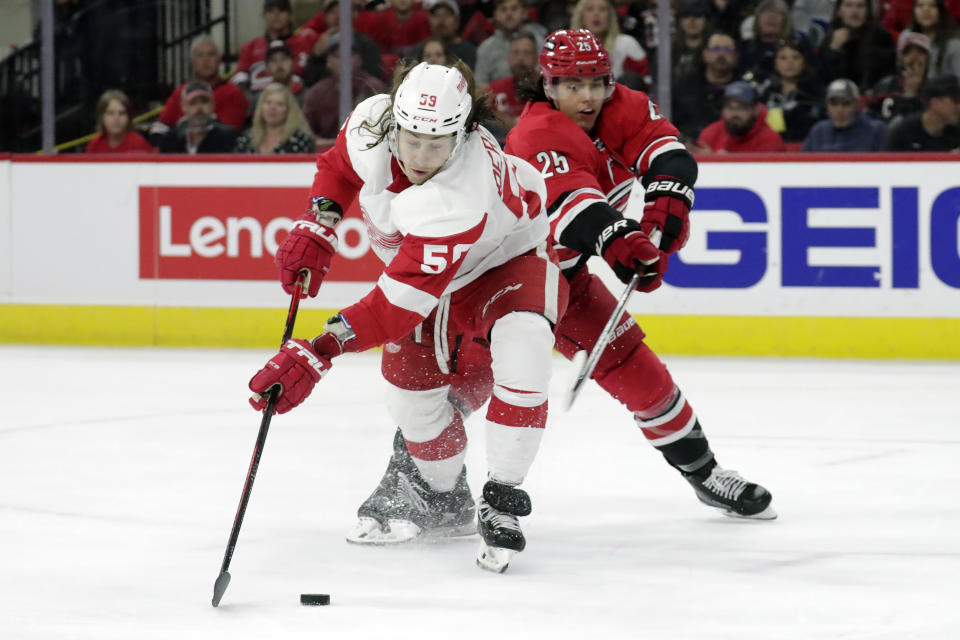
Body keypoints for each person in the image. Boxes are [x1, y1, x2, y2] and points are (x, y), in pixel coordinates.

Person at [337, 29, 775, 549]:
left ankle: (705, 474)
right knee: (456, 392)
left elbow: (667, 152)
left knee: (642, 376)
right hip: (504, 284)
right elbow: (577, 209)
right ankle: (420, 478)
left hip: (569, 283)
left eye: (595, 82)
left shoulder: (623, 107)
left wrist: (668, 200)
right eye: (570, 84)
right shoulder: (537, 134)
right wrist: (621, 239)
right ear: (548, 85)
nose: (586, 96)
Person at [251, 60, 569, 572]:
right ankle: (443, 497)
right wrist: (320, 221)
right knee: (409, 402)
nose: (421, 156)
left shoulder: (461, 194)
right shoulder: (373, 119)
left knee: (526, 345)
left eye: (437, 144)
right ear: (394, 121)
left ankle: (502, 494)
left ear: (462, 136)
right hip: (425, 270)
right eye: (412, 139)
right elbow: (339, 165)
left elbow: (397, 306)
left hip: (503, 261)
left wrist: (320, 349)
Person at [149, 35, 249, 141]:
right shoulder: (181, 91)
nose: (205, 60)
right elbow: (161, 125)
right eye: (200, 55)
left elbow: (226, 134)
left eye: (211, 55)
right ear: (192, 61)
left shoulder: (233, 93)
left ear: (219, 60)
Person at [302, 35, 387, 146]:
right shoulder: (318, 92)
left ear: (359, 59)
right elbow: (305, 132)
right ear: (328, 62)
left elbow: (385, 130)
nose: (344, 60)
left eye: (349, 55)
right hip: (328, 153)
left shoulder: (374, 88)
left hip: (367, 151)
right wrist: (335, 144)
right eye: (338, 56)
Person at [232, 0, 318, 94]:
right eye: (270, 11)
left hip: (295, 97)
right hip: (258, 100)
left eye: (281, 10)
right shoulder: (250, 47)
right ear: (264, 16)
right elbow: (240, 79)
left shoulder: (304, 43)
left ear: (290, 15)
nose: (275, 15)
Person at [673, 31, 740, 142]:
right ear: (705, 54)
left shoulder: (744, 90)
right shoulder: (684, 86)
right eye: (715, 49)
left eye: (728, 50)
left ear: (736, 56)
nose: (721, 55)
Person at [570, 0, 650, 89]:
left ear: (610, 17)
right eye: (590, 9)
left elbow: (644, 81)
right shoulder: (568, 47)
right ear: (581, 17)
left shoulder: (626, 43)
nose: (596, 14)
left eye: (602, 9)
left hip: (619, 99)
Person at [818, 0, 897, 90]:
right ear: (839, 11)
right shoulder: (831, 37)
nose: (855, 11)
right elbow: (821, 79)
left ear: (868, 10)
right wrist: (833, 50)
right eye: (848, 5)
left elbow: (888, 78)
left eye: (860, 6)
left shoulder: (881, 36)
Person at [759, 39, 825, 142]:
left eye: (796, 57)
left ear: (803, 63)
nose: (790, 62)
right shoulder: (767, 94)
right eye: (783, 58)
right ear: (776, 64)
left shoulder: (815, 93)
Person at [738, 0, 816, 84]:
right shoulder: (744, 47)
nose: (771, 16)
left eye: (778, 13)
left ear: (786, 21)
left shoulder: (800, 46)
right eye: (766, 11)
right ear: (757, 19)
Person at [695, 80, 787, 152]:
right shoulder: (711, 133)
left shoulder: (770, 139)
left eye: (742, 107)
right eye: (729, 107)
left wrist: (714, 160)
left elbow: (761, 174)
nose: (735, 113)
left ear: (755, 110)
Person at [801, 78, 888, 151]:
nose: (839, 110)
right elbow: (802, 165)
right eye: (834, 104)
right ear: (827, 106)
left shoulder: (875, 130)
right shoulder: (818, 131)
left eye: (846, 104)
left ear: (857, 104)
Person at [475, 0, 548, 85]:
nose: (509, 14)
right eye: (503, 9)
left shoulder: (541, 43)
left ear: (524, 13)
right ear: (496, 15)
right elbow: (480, 85)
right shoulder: (485, 48)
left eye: (514, 9)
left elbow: (547, 81)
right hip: (498, 96)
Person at [157, 80, 238, 154]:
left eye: (204, 101)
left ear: (213, 104)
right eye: (193, 103)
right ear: (183, 107)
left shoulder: (228, 138)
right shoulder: (170, 140)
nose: (199, 108)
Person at [867, 30, 932, 121]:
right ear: (900, 58)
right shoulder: (885, 85)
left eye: (920, 52)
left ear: (928, 58)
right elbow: (869, 119)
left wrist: (911, 92)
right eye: (908, 52)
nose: (914, 57)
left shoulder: (936, 91)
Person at [885, 72, 960, 149]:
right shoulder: (903, 133)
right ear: (935, 102)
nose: (959, 107)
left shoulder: (955, 136)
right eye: (956, 101)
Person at [236, 83, 316, 154]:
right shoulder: (246, 138)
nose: (272, 108)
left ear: (288, 110)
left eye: (280, 104)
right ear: (261, 107)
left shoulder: (300, 140)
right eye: (268, 102)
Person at [487, 30, 540, 132]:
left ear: (536, 58)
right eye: (516, 53)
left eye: (527, 52)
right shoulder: (495, 89)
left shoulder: (546, 89)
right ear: (508, 58)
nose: (521, 58)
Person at [85, 89, 155, 153]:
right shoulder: (94, 145)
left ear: (128, 117)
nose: (116, 118)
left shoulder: (139, 144)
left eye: (122, 113)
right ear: (102, 117)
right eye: (110, 113)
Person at [416, 0, 477, 69]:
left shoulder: (469, 52)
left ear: (457, 20)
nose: (441, 20)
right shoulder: (418, 50)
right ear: (429, 20)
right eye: (436, 15)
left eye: (446, 15)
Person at [908, 0, 960, 78]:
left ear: (941, 11)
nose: (926, 10)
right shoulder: (907, 38)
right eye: (920, 6)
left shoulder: (954, 45)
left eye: (932, 5)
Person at [672, 0, 711, 83]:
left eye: (697, 15)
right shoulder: (670, 48)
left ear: (706, 20)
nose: (692, 20)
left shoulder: (713, 46)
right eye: (686, 16)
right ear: (680, 21)